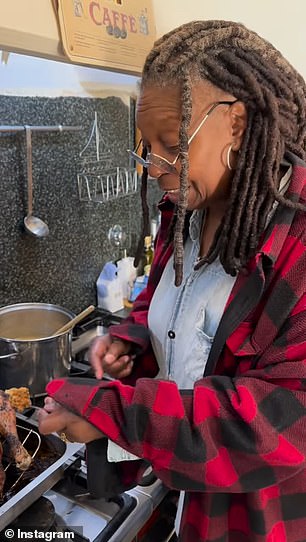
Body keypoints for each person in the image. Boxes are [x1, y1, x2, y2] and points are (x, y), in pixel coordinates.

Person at [38, 20, 306, 542]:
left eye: (173, 145)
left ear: (237, 123)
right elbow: (169, 305)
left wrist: (114, 414)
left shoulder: (298, 241)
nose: (157, 167)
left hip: (248, 521)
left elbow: (281, 424)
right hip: (178, 490)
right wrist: (134, 338)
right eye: (148, 146)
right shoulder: (185, 208)